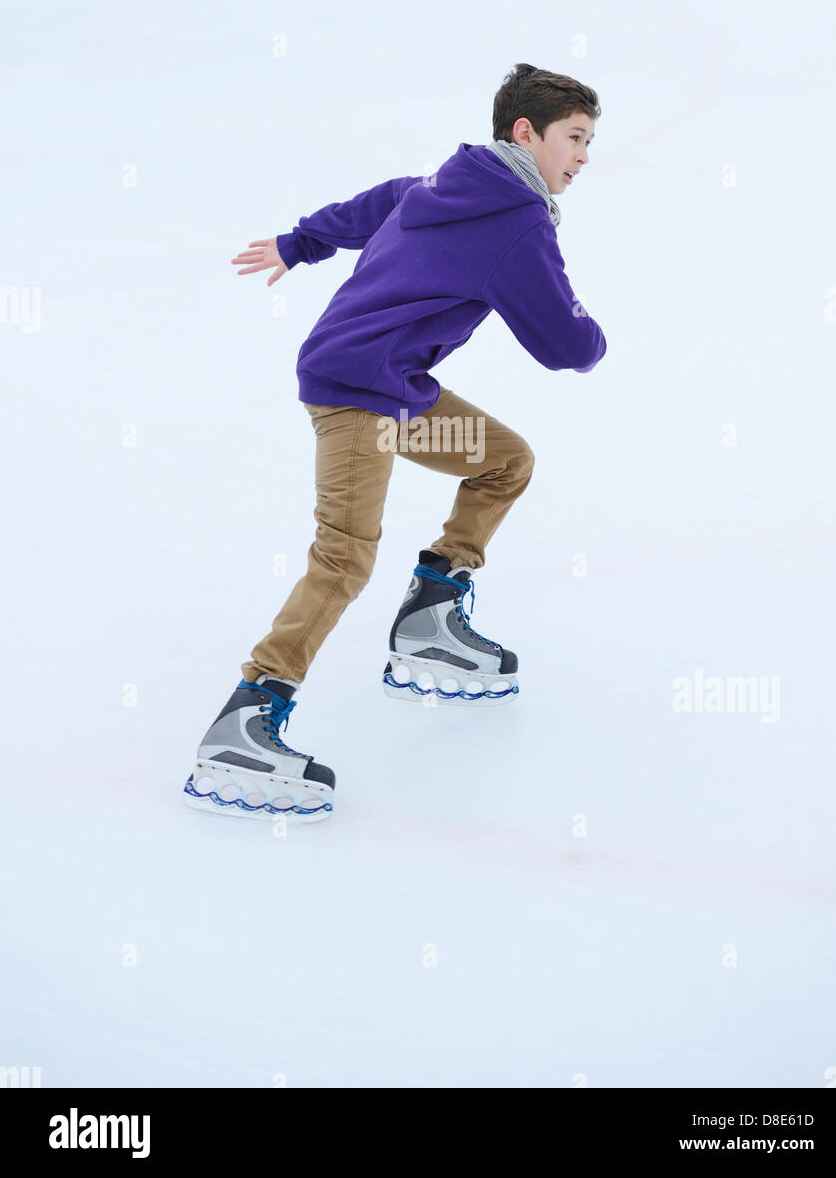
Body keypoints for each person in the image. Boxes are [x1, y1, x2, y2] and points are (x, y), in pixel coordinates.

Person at [183, 62, 607, 823]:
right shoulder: (516, 221)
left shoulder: (440, 185)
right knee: (344, 555)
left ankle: (430, 616)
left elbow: (374, 205)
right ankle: (247, 718)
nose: (581, 156)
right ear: (525, 133)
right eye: (573, 138)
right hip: (358, 396)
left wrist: (298, 242)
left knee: (502, 460)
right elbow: (564, 346)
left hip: (396, 395)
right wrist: (592, 336)